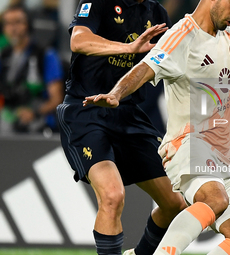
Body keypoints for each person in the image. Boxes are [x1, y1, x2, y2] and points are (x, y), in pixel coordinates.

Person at [84, 0, 230, 254]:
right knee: (214, 199)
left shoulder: (227, 33)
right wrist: (116, 93)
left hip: (220, 152)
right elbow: (144, 68)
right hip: (187, 144)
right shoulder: (181, 36)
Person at [56, 1, 186, 255]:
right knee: (112, 196)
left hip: (128, 114)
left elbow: (172, 61)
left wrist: (209, 82)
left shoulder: (157, 13)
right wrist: (129, 48)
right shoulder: (97, 2)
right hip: (86, 110)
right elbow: (79, 41)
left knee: (174, 203)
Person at [0, 4, 64, 134]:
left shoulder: (46, 55)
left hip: (41, 122)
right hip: (11, 118)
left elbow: (57, 98)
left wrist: (34, 112)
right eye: (8, 24)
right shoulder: (4, 56)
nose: (13, 28)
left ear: (28, 25)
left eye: (18, 22)